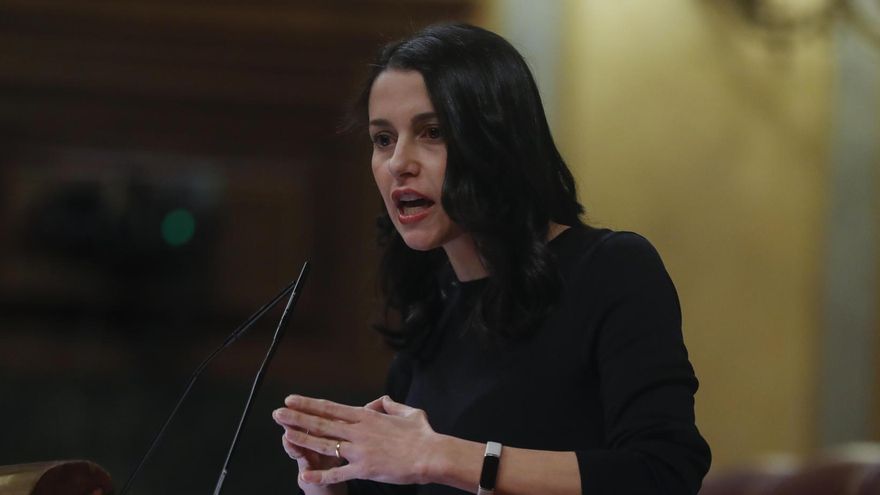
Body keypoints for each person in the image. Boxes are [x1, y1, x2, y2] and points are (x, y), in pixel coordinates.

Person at [272, 23, 711, 495]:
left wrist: (442, 455)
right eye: (383, 139)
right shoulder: (432, 310)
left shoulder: (613, 270)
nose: (399, 162)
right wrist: (333, 483)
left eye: (432, 132)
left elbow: (663, 472)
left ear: (496, 140)